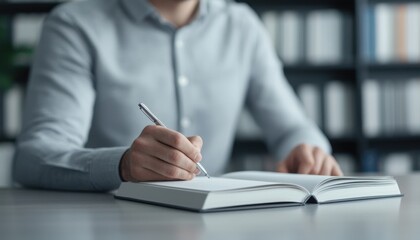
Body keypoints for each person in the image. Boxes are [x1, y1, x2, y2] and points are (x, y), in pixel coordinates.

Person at [13, 0, 342, 191]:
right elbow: (34, 157)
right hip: (113, 222)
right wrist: (122, 165)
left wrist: (309, 151)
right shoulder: (74, 24)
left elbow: (293, 127)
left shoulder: (242, 25)